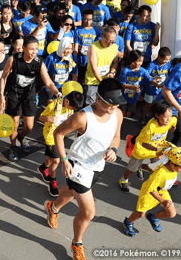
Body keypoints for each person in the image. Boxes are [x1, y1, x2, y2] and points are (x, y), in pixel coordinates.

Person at [45, 78, 125, 260]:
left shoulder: (117, 114)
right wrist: (64, 160)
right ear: (98, 98)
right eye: (109, 104)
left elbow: (117, 136)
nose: (113, 108)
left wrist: (113, 149)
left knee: (72, 192)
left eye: (116, 105)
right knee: (89, 213)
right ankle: (77, 243)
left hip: (97, 166)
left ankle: (53, 208)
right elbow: (58, 133)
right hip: (77, 166)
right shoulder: (82, 117)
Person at [0, 35, 62, 162]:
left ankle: (21, 137)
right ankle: (12, 147)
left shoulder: (39, 62)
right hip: (14, 93)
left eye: (36, 49)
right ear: (23, 48)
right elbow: (3, 77)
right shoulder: (13, 59)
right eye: (31, 49)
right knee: (14, 124)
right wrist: (1, 96)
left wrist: (58, 93)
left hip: (29, 95)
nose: (34, 52)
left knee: (29, 126)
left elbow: (48, 83)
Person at [122, 145, 181, 236]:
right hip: (149, 194)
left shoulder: (173, 169)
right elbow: (151, 189)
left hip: (162, 192)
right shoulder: (160, 173)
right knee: (141, 214)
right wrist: (162, 201)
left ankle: (152, 217)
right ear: (172, 163)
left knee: (172, 213)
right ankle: (128, 222)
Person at [118, 100, 176, 193]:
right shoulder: (151, 127)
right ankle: (124, 180)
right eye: (165, 116)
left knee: (157, 168)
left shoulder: (172, 120)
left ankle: (150, 179)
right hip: (142, 149)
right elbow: (145, 144)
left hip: (157, 148)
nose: (169, 119)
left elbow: (173, 126)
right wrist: (158, 150)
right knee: (132, 169)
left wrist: (173, 128)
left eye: (170, 116)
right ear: (157, 115)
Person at [38, 90, 86, 196]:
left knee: (51, 157)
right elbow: (40, 117)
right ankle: (53, 181)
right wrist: (49, 118)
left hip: (60, 135)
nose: (71, 111)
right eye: (72, 109)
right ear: (67, 102)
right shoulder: (53, 106)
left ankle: (43, 167)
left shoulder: (69, 106)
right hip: (50, 135)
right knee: (56, 159)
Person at [83, 27, 119, 106]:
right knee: (90, 104)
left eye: (113, 41)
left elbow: (115, 63)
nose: (110, 44)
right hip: (92, 81)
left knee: (103, 104)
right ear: (102, 36)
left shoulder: (114, 47)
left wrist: (112, 73)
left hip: (106, 79)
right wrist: (103, 83)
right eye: (108, 41)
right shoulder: (93, 47)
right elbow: (94, 68)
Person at [43, 37, 78, 104]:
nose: (69, 51)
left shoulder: (73, 58)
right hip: (52, 88)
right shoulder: (51, 58)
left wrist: (72, 89)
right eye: (67, 48)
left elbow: (74, 74)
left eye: (71, 49)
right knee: (52, 109)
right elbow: (45, 73)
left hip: (65, 88)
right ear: (62, 46)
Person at [140, 47, 172, 117]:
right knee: (148, 104)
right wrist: (153, 80)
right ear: (158, 56)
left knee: (158, 105)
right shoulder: (152, 65)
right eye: (164, 59)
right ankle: (142, 116)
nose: (166, 61)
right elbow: (146, 75)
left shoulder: (168, 63)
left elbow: (171, 73)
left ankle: (153, 117)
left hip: (161, 89)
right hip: (151, 89)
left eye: (168, 59)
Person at [119, 50, 150, 119]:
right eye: (139, 61)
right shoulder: (125, 71)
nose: (141, 63)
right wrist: (133, 88)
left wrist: (154, 80)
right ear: (132, 61)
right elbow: (123, 85)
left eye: (142, 61)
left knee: (128, 114)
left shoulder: (143, 70)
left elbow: (149, 79)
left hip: (134, 98)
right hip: (124, 97)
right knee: (122, 113)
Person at [73, 9, 101, 81]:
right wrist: (75, 60)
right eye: (85, 19)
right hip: (81, 60)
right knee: (81, 80)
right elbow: (76, 47)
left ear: (93, 19)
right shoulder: (78, 30)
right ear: (82, 18)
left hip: (91, 61)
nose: (88, 21)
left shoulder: (97, 31)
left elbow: (98, 47)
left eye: (90, 19)